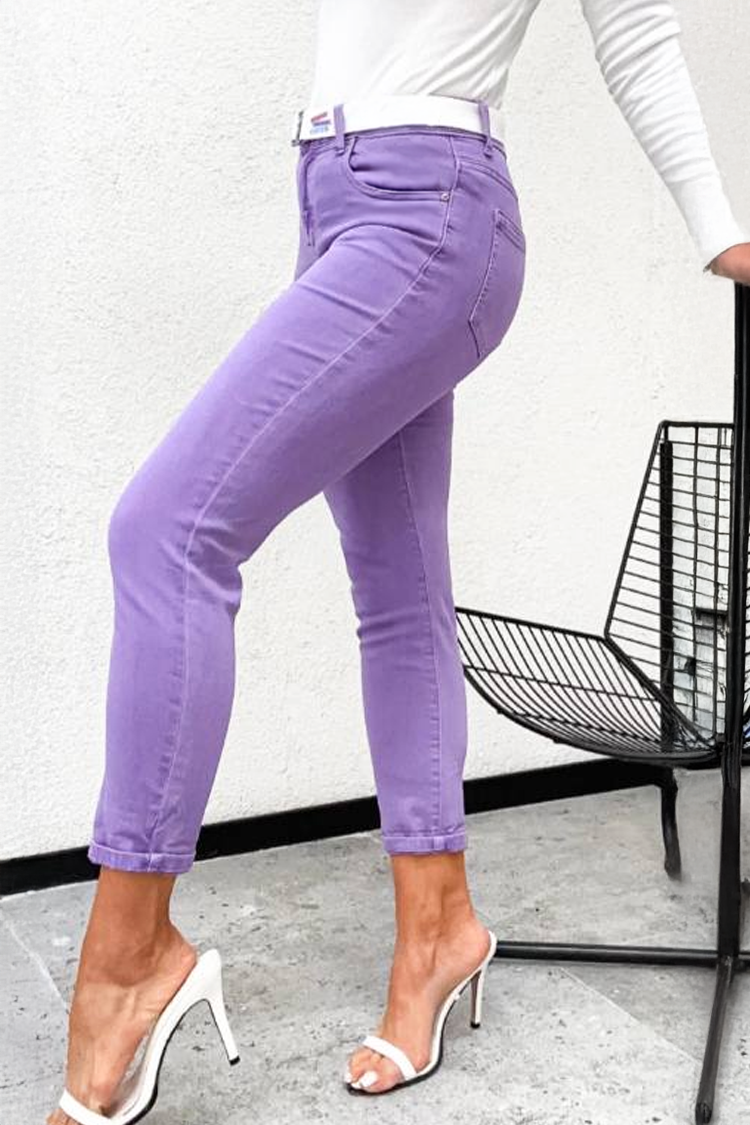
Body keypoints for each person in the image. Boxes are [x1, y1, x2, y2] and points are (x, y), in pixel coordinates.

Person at [49, 0, 750, 1120]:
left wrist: (717, 225)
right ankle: (440, 930)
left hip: (430, 207)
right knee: (397, 589)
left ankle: (129, 959)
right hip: (335, 195)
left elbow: (636, 26)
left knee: (168, 533)